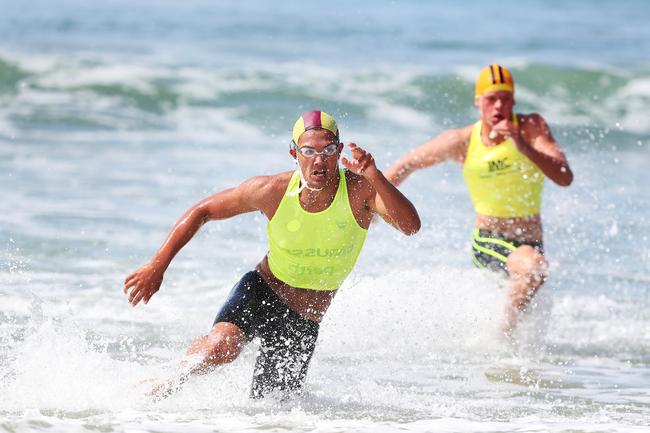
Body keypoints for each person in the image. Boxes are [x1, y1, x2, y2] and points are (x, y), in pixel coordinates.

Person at [123, 110, 421, 399]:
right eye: (308, 151)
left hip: (304, 320)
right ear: (294, 154)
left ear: (339, 150)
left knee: (272, 410)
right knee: (220, 349)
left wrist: (375, 175)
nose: (319, 161)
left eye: (328, 150)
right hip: (262, 290)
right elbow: (203, 210)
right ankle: (160, 385)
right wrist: (157, 266)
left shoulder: (360, 192)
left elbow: (411, 226)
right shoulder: (272, 190)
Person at [386, 64, 573, 336]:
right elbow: (407, 164)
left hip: (531, 241)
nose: (499, 106)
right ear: (478, 102)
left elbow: (565, 176)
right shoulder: (462, 141)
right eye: (491, 99)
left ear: (514, 101)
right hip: (488, 239)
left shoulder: (531, 128)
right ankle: (501, 340)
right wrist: (371, 205)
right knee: (534, 269)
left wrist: (521, 146)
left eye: (505, 98)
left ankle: (517, 357)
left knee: (532, 277)